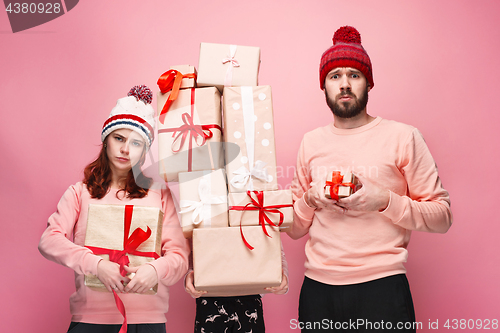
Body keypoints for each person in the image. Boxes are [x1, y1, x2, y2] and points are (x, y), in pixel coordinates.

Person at [287, 26, 452, 332]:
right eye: (335, 76)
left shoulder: (403, 136)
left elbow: (442, 216)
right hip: (318, 291)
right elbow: (295, 229)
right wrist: (309, 200)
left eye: (354, 75)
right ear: (323, 86)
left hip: (383, 288)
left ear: (368, 83)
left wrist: (384, 201)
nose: (345, 84)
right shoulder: (310, 142)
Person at [38, 85, 190, 333]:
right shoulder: (79, 193)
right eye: (119, 138)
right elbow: (49, 240)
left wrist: (155, 270)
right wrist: (95, 264)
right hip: (90, 321)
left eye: (136, 143)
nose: (125, 149)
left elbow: (180, 257)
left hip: (148, 322)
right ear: (105, 140)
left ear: (145, 150)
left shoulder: (160, 195)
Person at [184, 243, 289, 332]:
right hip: (209, 297)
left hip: (250, 297)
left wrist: (283, 276)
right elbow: (196, 243)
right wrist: (190, 275)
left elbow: (274, 245)